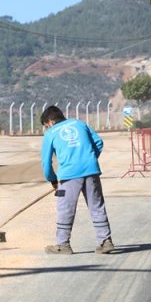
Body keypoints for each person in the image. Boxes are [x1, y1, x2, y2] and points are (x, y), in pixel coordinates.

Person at [40, 105, 113, 254]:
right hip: (91, 170)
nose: (47, 128)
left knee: (65, 209)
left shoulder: (51, 133)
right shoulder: (79, 123)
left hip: (68, 175)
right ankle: (106, 241)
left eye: (46, 126)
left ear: (50, 122)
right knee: (97, 206)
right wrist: (88, 159)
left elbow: (46, 163)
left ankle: (63, 245)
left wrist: (52, 179)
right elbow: (98, 142)